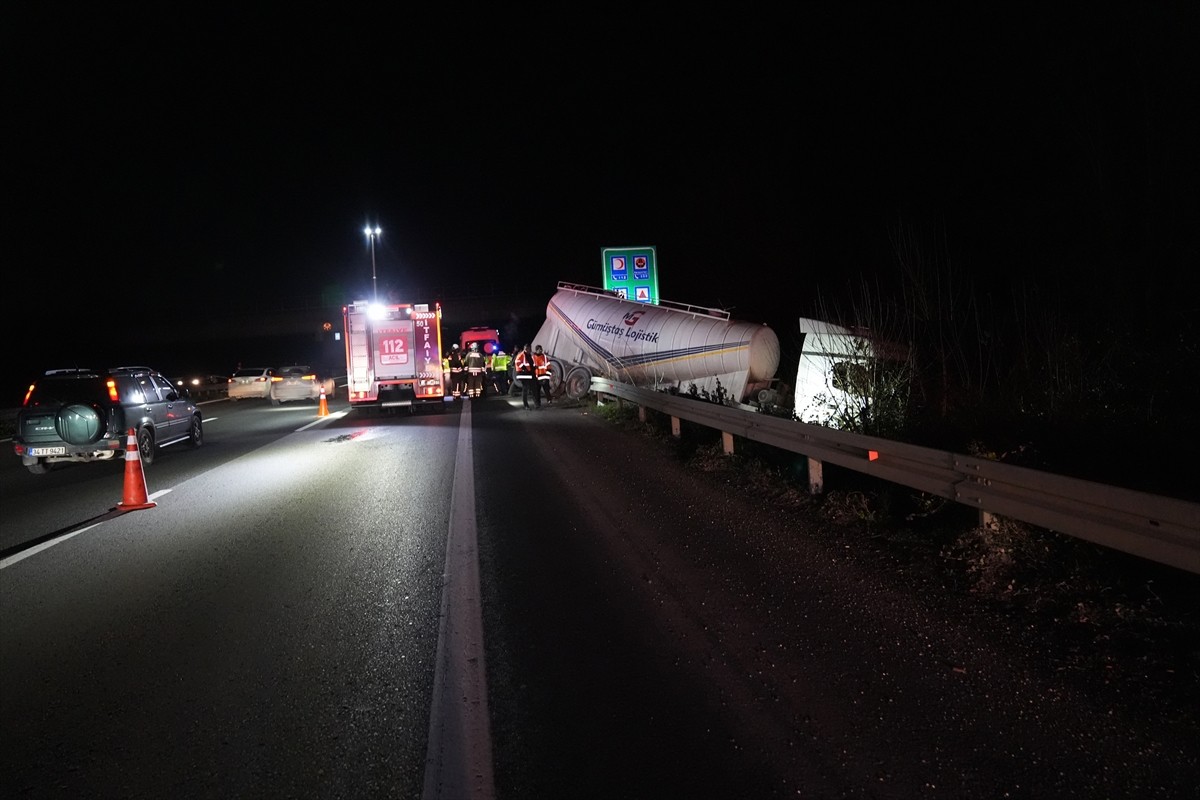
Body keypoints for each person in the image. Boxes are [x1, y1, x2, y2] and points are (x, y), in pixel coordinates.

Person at [514, 343, 539, 409]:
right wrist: (524, 368)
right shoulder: (521, 355)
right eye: (529, 348)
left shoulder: (530, 355)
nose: (530, 350)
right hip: (523, 374)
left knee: (534, 389)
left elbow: (531, 364)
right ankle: (526, 405)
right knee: (525, 389)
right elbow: (517, 362)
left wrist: (534, 367)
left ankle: (536, 404)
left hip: (530, 374)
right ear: (526, 348)